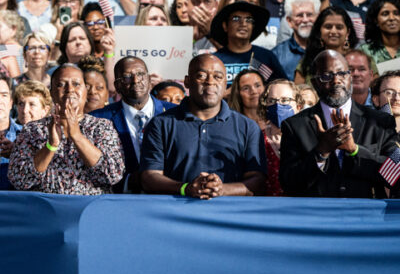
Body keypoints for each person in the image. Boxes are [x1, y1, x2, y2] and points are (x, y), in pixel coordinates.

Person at [141, 54, 266, 199]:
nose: (210, 82)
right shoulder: (160, 124)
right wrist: (186, 188)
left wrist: (221, 190)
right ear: (187, 82)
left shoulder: (248, 127)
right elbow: (149, 177)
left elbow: (257, 181)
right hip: (175, 215)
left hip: (231, 216)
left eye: (218, 77)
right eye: (201, 75)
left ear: (226, 84)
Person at [280, 50, 398, 198]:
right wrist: (320, 152)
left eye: (342, 73)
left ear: (350, 77)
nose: (336, 81)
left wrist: (354, 150)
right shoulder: (295, 126)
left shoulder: (380, 122)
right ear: (315, 83)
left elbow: (396, 175)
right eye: (326, 76)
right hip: (317, 216)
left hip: (367, 216)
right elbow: (288, 183)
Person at [9, 63, 124, 195]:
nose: (70, 89)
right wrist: (51, 146)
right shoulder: (33, 130)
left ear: (85, 92)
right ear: (51, 92)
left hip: (89, 209)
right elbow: (19, 179)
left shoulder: (102, 127)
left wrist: (77, 136)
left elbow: (113, 175)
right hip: (45, 209)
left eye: (76, 84)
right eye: (61, 84)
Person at [91, 56, 175, 193]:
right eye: (127, 77)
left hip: (169, 196)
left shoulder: (175, 113)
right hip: (121, 200)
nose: (136, 81)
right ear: (117, 86)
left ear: (149, 80)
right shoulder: (97, 119)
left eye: (140, 74)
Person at [211, 1, 287, 87]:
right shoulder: (215, 60)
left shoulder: (266, 56)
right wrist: (227, 94)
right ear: (225, 26)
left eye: (249, 20)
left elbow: (283, 87)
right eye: (236, 18)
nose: (243, 24)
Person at [260, 79, 301, 196]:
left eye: (285, 100)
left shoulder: (307, 138)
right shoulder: (257, 139)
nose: (277, 106)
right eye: (271, 101)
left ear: (298, 106)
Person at [295, 7, 357, 84]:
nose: (333, 31)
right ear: (319, 32)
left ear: (347, 32)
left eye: (339, 27)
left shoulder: (358, 59)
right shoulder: (308, 61)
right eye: (328, 27)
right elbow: (298, 92)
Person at [272, 0, 320, 81]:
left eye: (309, 14)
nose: (305, 20)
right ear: (289, 21)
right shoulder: (276, 55)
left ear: (318, 18)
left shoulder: (327, 48)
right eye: (299, 15)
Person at [360, 0, 400, 65]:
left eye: (396, 13)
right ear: (376, 20)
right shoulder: (365, 51)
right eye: (385, 14)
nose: (391, 18)